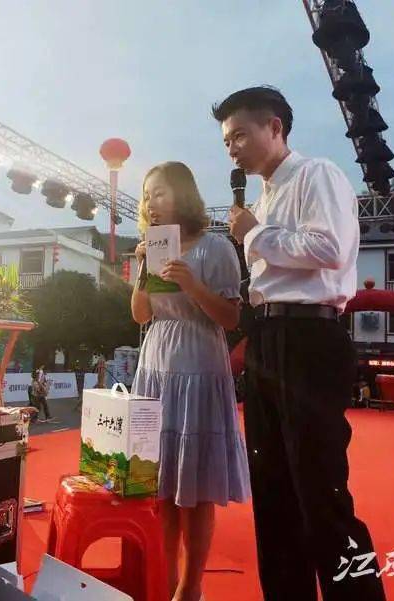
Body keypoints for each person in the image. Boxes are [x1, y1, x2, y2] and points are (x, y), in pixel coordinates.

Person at [219, 86, 386, 600]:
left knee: (321, 491)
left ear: (275, 127)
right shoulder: (262, 198)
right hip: (267, 337)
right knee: (273, 494)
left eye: (240, 135)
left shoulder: (317, 174)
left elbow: (329, 249)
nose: (232, 149)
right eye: (226, 142)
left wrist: (253, 235)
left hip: (310, 337)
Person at [131, 161, 251, 601]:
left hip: (200, 363)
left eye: (160, 192)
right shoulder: (151, 249)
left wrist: (192, 283)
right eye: (147, 195)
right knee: (160, 487)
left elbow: (231, 318)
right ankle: (164, 581)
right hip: (155, 366)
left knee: (196, 491)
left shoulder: (215, 246)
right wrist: (142, 271)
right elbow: (140, 315)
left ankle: (190, 586)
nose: (151, 202)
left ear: (183, 195)